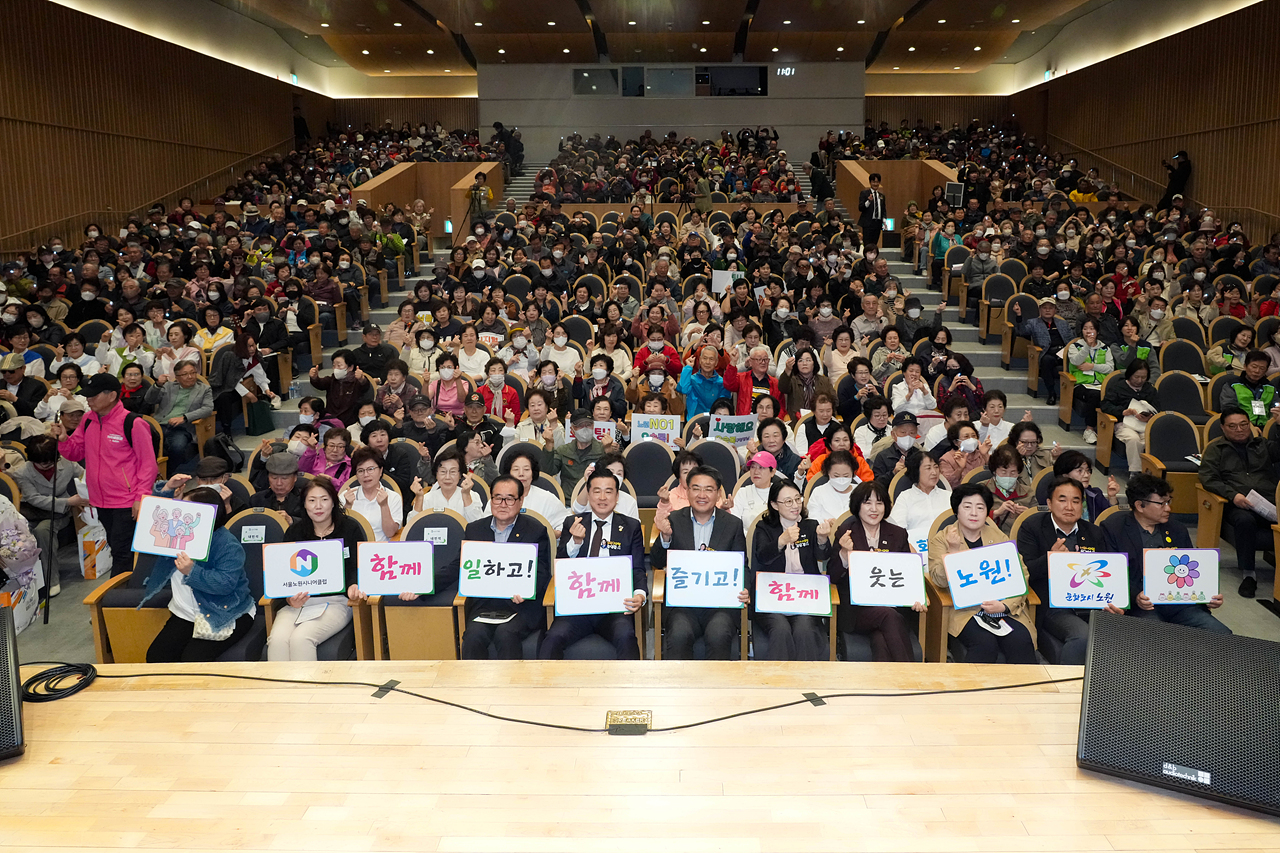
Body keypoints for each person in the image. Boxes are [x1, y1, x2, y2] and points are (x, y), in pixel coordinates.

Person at [51, 373, 158, 576]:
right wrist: (64, 439)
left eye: (94, 395)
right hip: (100, 499)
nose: (89, 400)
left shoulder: (133, 423)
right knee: (116, 546)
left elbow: (148, 465)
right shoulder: (88, 420)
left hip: (127, 500)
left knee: (122, 551)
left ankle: (118, 597)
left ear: (111, 396)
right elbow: (76, 452)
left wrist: (141, 497)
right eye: (87, 396)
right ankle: (124, 594)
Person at [539, 469, 647, 660]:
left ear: (617, 496)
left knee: (626, 636)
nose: (602, 497)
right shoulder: (572, 522)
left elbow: (637, 567)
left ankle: (630, 688)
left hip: (614, 607)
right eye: (596, 491)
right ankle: (546, 688)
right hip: (578, 605)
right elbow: (561, 568)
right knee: (553, 637)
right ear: (588, 495)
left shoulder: (631, 526)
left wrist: (640, 594)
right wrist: (575, 542)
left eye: (608, 491)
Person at [1101, 472, 1229, 633]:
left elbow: (1193, 572)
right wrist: (1136, 596)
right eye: (1161, 504)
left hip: (1179, 604)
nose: (1168, 508)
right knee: (1158, 637)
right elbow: (1111, 574)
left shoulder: (1177, 529)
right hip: (1142, 607)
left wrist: (1208, 597)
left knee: (1222, 634)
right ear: (1140, 505)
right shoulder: (1114, 528)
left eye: (1168, 502)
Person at [139, 487, 256, 662]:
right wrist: (168, 491)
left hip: (225, 611)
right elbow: (153, 517)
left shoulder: (227, 544)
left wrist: (192, 572)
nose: (181, 514)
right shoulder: (175, 534)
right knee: (156, 657)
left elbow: (225, 584)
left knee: (192, 661)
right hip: (185, 613)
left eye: (189, 510)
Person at [927, 484, 1037, 663]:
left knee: (1021, 640)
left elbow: (1021, 574)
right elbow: (938, 579)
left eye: (980, 507)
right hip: (966, 611)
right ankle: (975, 691)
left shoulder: (999, 537)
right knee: (984, 643)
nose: (973, 513)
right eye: (967, 506)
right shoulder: (942, 538)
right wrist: (953, 553)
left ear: (987, 512)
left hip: (1001, 608)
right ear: (957, 510)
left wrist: (1005, 606)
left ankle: (1023, 691)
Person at [1016, 476, 1121, 665]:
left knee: (1122, 631)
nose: (1069, 507)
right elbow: (1024, 572)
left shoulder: (1093, 532)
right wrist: (1050, 559)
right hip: (1053, 604)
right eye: (1062, 500)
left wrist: (1114, 601)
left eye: (1076, 501)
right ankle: (1066, 688)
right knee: (1082, 636)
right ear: (1049, 503)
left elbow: (1109, 572)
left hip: (1092, 601)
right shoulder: (1033, 527)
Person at [650, 465, 749, 659]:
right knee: (679, 634)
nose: (701, 494)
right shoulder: (674, 520)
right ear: (687, 491)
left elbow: (742, 565)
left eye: (708, 489)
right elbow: (656, 561)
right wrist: (665, 537)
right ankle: (679, 688)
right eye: (696, 488)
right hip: (682, 604)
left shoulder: (732, 524)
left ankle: (715, 688)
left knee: (719, 634)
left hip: (720, 604)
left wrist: (745, 588)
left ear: (718, 493)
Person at [267, 478, 369, 660]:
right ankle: (281, 689)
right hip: (299, 602)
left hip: (336, 602)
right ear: (304, 504)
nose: (318, 506)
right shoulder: (295, 532)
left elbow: (359, 566)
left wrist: (354, 585)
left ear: (333, 502)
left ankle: (309, 689)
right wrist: (289, 598)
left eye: (324, 499)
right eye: (312, 500)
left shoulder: (349, 528)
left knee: (301, 638)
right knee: (277, 640)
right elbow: (282, 573)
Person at [459, 474, 552, 659]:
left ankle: (511, 686)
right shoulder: (475, 530)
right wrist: (423, 586)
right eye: (498, 498)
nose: (503, 504)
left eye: (509, 499)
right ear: (491, 500)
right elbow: (459, 566)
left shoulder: (536, 530)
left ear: (520, 501)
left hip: (521, 606)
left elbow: (542, 572)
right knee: (473, 635)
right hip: (485, 605)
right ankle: (472, 686)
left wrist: (527, 591)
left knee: (506, 634)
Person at [830, 481, 925, 661]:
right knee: (888, 616)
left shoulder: (898, 534)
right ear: (857, 505)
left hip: (893, 607)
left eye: (879, 503)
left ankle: (887, 687)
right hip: (857, 610)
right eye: (867, 503)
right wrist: (844, 553)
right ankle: (913, 675)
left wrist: (918, 597)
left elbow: (908, 574)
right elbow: (833, 576)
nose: (874, 509)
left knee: (881, 639)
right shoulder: (846, 532)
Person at [1198, 406, 1280, 598]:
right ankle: (1249, 574)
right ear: (1223, 428)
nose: (1239, 429)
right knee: (1245, 521)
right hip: (1237, 504)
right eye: (1233, 426)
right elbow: (1208, 478)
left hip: (1268, 502)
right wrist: (1233, 495)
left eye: (1244, 424)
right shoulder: (1215, 449)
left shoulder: (1262, 445)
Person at [749, 480, 831, 661]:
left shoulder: (810, 526)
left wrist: (822, 539)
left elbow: (823, 556)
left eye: (797, 499)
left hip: (804, 596)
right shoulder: (765, 528)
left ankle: (807, 682)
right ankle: (779, 684)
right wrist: (781, 541)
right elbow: (762, 557)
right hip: (772, 596)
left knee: (804, 630)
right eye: (788, 501)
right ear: (774, 505)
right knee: (780, 629)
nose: (795, 505)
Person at [13, 435, 85, 597]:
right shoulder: (22, 473)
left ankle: (52, 580)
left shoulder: (66, 464)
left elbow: (84, 476)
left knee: (44, 530)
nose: (46, 465)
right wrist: (68, 501)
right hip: (33, 513)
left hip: (59, 514)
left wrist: (83, 494)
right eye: (41, 462)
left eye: (50, 461)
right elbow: (34, 499)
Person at [145, 359, 213, 474]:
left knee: (178, 447)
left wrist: (185, 417)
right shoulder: (168, 386)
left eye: (193, 372)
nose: (190, 376)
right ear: (177, 377)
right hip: (160, 424)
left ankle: (166, 473)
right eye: (185, 374)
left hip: (183, 428)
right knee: (144, 443)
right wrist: (157, 385)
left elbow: (208, 408)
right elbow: (149, 400)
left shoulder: (204, 389)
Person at [1011, 297, 1074, 406]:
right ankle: (1052, 393)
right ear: (1040, 310)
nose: (1048, 310)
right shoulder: (1033, 323)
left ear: (1055, 310)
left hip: (1064, 352)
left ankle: (1072, 396)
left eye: (1051, 308)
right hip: (1048, 353)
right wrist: (1019, 315)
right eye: (1045, 308)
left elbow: (1072, 340)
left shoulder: (1063, 323)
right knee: (1046, 361)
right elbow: (1021, 331)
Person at [1100, 360, 1158, 472]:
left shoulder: (1150, 389)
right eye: (1136, 377)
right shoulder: (1118, 387)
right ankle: (1135, 472)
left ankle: (1149, 473)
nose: (1139, 380)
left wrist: (1149, 417)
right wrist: (1122, 411)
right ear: (1130, 374)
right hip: (1124, 424)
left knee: (1148, 440)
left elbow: (1158, 408)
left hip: (1144, 424)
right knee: (1133, 439)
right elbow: (1105, 405)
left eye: (1143, 377)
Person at [494, 449, 570, 531]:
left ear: (533, 473)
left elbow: (566, 523)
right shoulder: (498, 498)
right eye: (516, 469)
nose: (521, 474)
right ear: (508, 473)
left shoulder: (547, 498)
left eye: (526, 469)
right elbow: (487, 524)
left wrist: (554, 534)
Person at [340, 447, 403, 542]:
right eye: (361, 471)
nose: (366, 475)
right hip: (354, 550)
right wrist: (348, 506)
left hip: (381, 551)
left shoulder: (393, 497)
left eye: (371, 469)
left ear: (381, 470)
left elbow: (390, 533)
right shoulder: (345, 496)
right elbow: (340, 532)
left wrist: (384, 505)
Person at [541, 408, 606, 499]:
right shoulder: (563, 450)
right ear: (572, 430)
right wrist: (549, 444)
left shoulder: (603, 449)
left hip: (595, 502)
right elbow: (547, 472)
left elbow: (614, 474)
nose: (585, 428)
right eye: (580, 425)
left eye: (588, 424)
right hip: (568, 503)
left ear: (593, 426)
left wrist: (609, 450)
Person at [1067, 318, 1114, 445]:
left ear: (1097, 331)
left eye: (1092, 328)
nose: (1088, 331)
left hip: (1101, 384)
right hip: (1080, 384)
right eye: (1085, 328)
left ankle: (1109, 430)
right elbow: (1075, 361)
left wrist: (1092, 366)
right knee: (1094, 395)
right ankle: (1089, 429)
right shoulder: (1074, 346)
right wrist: (1087, 346)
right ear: (1081, 331)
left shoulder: (1105, 348)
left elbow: (1110, 368)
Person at [1221, 351, 1280, 427]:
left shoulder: (1270, 387)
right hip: (1241, 428)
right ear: (1245, 366)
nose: (1257, 371)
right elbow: (1229, 411)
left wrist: (1269, 426)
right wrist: (1249, 427)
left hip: (1266, 427)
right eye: (1254, 367)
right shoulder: (1232, 385)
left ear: (1266, 371)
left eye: (1262, 368)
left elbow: (1275, 409)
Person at [250, 451, 305, 524]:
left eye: (284, 478)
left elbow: (314, 524)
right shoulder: (256, 499)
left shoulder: (305, 499)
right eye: (274, 478)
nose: (279, 483)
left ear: (295, 478)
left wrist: (292, 521)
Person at [0, 353, 46, 417]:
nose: (7, 374)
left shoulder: (37, 386)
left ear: (23, 369)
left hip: (26, 422)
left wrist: (15, 399)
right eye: (3, 371)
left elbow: (37, 412)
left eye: (11, 371)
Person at [858, 172, 887, 247]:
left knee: (874, 244)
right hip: (868, 223)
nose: (875, 184)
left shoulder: (881, 196)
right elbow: (861, 208)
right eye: (873, 182)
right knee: (867, 244)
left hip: (877, 223)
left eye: (877, 182)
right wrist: (868, 201)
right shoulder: (864, 193)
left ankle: (873, 257)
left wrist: (884, 220)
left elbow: (883, 209)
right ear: (870, 182)